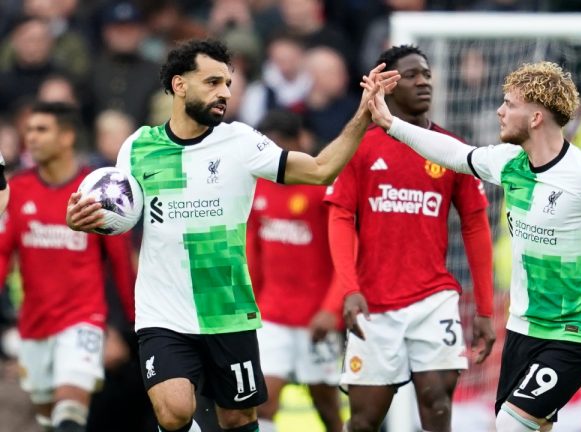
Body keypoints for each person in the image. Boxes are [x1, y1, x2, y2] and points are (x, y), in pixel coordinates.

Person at [65, 38, 398, 432]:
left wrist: (362, 115)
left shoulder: (241, 142)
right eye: (212, 82)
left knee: (238, 417)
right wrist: (81, 219)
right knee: (173, 411)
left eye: (227, 83)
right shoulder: (137, 147)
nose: (224, 92)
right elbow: (115, 213)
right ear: (179, 85)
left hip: (226, 308)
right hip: (162, 310)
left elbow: (322, 169)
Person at [363, 60, 581, 432]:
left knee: (510, 423)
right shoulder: (510, 163)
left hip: (574, 333)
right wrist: (390, 123)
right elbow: (452, 153)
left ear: (535, 117)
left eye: (509, 104)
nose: (500, 111)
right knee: (532, 427)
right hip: (522, 328)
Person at [324, 45, 496, 432]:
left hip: (433, 300)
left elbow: (474, 224)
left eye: (427, 74)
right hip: (374, 304)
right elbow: (338, 217)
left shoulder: (451, 149)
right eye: (413, 75)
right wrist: (349, 289)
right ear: (387, 85)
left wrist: (484, 309)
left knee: (437, 403)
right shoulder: (360, 146)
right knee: (364, 420)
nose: (424, 82)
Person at [0, 101, 136, 432]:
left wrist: (125, 329)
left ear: (67, 137)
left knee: (70, 413)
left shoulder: (98, 193)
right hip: (34, 325)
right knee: (49, 421)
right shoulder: (17, 189)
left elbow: (120, 265)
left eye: (41, 130)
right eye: (29, 130)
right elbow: (3, 255)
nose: (31, 137)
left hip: (83, 321)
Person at [247, 109, 343, 432]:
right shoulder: (257, 189)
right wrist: (252, 307)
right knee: (264, 402)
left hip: (317, 321)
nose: (272, 156)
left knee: (328, 410)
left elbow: (346, 255)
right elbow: (252, 257)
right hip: (272, 316)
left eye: (279, 146)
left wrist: (332, 310)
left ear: (298, 142)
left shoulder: (322, 189)